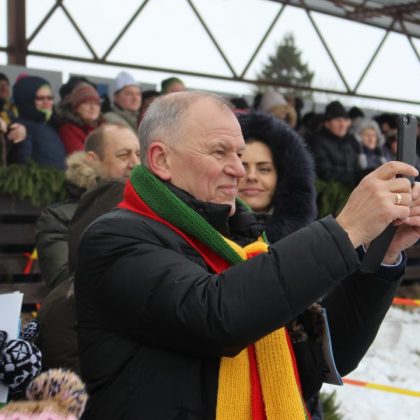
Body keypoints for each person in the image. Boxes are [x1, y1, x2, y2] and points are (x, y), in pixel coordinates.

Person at [75, 91, 420, 419]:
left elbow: (325, 356)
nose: (240, 170)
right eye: (220, 152)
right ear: (161, 159)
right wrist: (346, 230)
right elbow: (217, 315)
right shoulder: (114, 239)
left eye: (238, 154)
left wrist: (382, 252)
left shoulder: (246, 242)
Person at [36, 124, 140, 290]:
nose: (135, 163)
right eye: (123, 155)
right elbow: (62, 285)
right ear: (93, 159)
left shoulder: (153, 205)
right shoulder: (59, 217)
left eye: (139, 154)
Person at [8, 76, 66, 170]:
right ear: (26, 100)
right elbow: (22, 167)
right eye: (40, 98)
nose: (46, 102)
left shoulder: (51, 126)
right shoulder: (19, 127)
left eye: (50, 98)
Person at [309, 100, 360, 187]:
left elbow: (356, 168)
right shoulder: (317, 142)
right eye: (337, 120)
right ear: (327, 124)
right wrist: (355, 179)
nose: (342, 124)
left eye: (345, 120)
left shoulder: (351, 142)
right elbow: (325, 174)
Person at [59, 82, 103, 155]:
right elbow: (81, 158)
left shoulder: (105, 127)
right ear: (76, 108)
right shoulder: (68, 130)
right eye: (87, 103)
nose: (92, 107)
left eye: (96, 103)